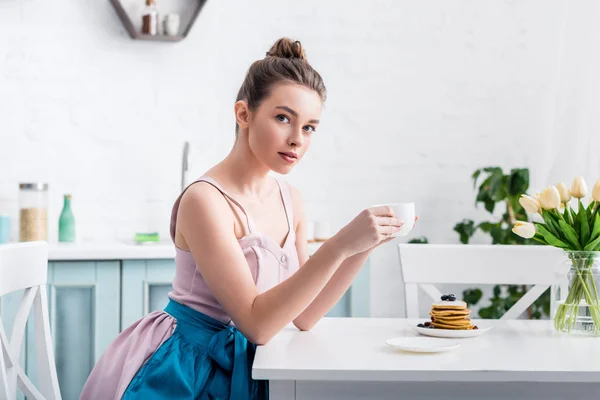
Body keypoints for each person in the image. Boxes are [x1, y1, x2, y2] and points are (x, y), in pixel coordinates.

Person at [80, 37, 408, 400]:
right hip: (187, 369)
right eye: (283, 118)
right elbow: (257, 324)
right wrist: (340, 244)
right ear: (244, 114)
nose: (297, 139)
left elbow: (305, 315)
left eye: (310, 127)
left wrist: (362, 246)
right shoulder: (204, 200)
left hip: (252, 365)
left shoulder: (290, 200)